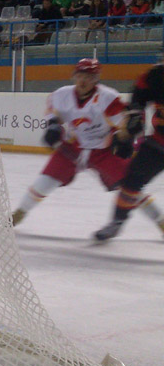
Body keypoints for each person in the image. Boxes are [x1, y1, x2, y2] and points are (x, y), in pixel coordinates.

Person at [12, 59, 164, 231]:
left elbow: (125, 123)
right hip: (71, 148)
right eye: (80, 75)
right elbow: (54, 115)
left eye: (89, 77)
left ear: (97, 78)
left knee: (130, 186)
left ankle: (160, 220)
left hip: (103, 152)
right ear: (74, 76)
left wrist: (123, 139)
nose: (84, 81)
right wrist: (53, 126)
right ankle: (19, 213)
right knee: (45, 180)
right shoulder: (61, 94)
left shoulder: (108, 98)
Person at [95, 62, 164, 240]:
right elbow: (137, 102)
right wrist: (128, 132)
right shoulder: (155, 75)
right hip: (160, 142)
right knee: (132, 179)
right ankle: (117, 221)